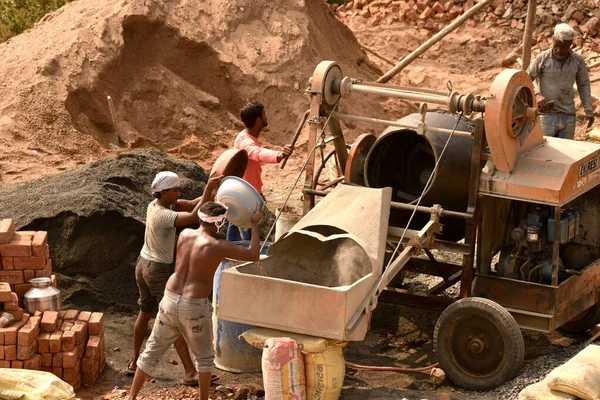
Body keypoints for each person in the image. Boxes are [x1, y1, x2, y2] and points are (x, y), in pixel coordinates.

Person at [128, 202, 265, 400]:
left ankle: (131, 397)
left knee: (151, 353)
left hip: (169, 299)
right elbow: (254, 255)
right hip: (194, 307)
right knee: (204, 358)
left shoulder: (184, 235)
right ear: (218, 224)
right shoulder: (219, 246)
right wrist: (254, 225)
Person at [127, 171, 222, 386]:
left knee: (145, 311)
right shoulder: (163, 215)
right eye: (176, 190)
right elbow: (194, 216)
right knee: (172, 319)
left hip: (142, 265)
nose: (179, 193)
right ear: (165, 191)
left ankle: (134, 362)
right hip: (156, 271)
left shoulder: (156, 205)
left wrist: (212, 192)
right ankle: (190, 372)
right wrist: (207, 190)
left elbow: (192, 203)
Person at [226, 101, 293, 242]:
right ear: (258, 121)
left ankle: (230, 256)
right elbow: (257, 153)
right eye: (264, 115)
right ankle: (247, 259)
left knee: (234, 228)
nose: (266, 117)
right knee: (248, 236)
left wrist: (259, 191)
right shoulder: (245, 142)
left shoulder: (245, 136)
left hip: (241, 190)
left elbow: (251, 169)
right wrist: (278, 155)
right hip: (243, 194)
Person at [528, 23, 594, 139]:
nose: (558, 49)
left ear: (570, 44)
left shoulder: (577, 60)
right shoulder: (542, 59)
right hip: (546, 116)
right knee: (545, 153)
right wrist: (536, 94)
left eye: (563, 47)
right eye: (556, 45)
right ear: (553, 40)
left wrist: (588, 108)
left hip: (568, 115)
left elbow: (583, 84)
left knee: (566, 153)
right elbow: (526, 78)